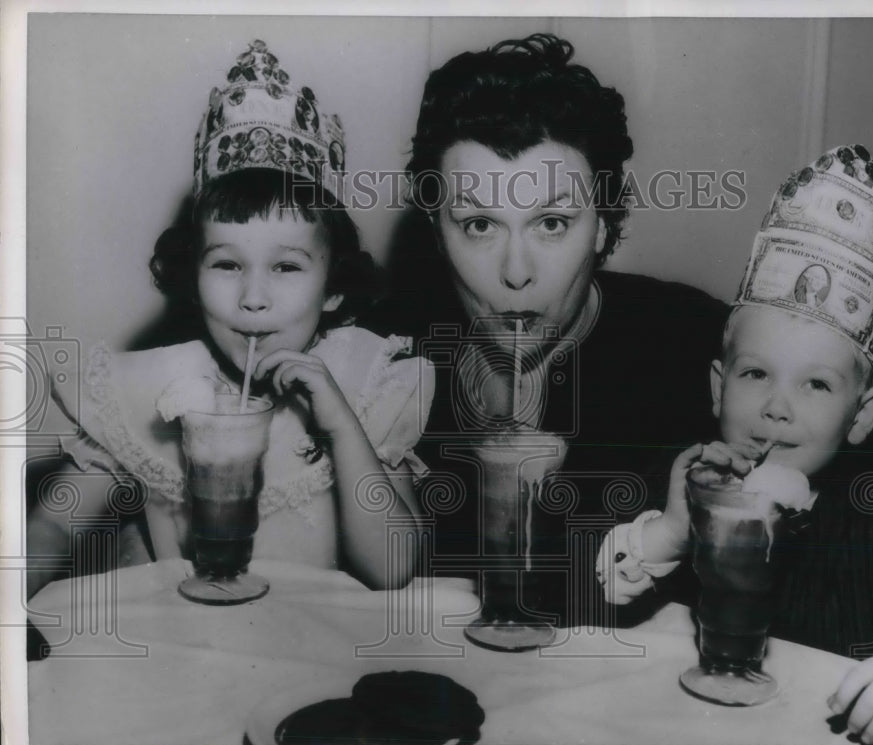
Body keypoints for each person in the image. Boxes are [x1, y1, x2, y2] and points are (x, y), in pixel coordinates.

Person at [26, 40, 433, 598]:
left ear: (335, 286)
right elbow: (52, 524)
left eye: (287, 266)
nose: (253, 298)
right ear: (192, 277)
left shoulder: (368, 381)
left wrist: (341, 426)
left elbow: (393, 570)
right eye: (227, 264)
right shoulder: (145, 390)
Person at [596, 144, 873, 745]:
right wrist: (668, 532)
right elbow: (593, 592)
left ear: (861, 416)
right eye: (755, 374)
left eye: (816, 384)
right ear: (718, 388)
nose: (777, 406)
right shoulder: (682, 485)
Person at [365, 33, 728, 628]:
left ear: (607, 226)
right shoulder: (380, 360)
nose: (516, 273)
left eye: (553, 223)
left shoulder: (693, 346)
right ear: (435, 230)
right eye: (479, 224)